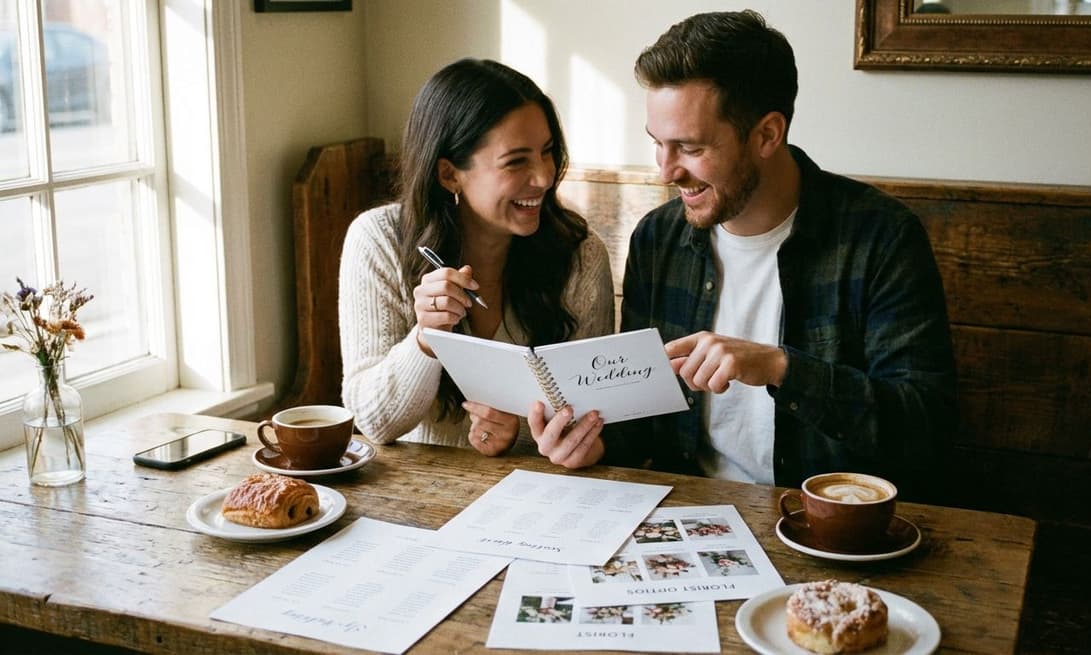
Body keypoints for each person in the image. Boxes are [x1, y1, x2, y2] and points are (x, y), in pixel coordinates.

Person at [601, 10, 958, 499]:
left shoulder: (880, 238)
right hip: (685, 516)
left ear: (767, 134)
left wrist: (780, 369)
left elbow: (924, 429)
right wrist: (591, 440)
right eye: (658, 144)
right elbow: (640, 414)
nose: (666, 172)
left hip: (824, 528)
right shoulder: (657, 240)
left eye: (689, 147)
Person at [338, 58, 614, 461]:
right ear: (450, 175)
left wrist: (519, 432)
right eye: (517, 161)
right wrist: (427, 337)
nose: (544, 177)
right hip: (416, 493)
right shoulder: (378, 240)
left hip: (540, 496)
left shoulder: (580, 254)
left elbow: (594, 419)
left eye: (547, 152)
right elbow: (375, 421)